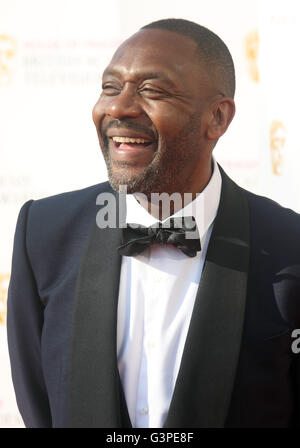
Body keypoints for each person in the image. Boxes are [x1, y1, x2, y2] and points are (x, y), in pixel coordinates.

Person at [7, 18, 300, 428]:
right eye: (110, 87)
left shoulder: (290, 246)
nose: (118, 107)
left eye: (151, 91)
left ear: (217, 118)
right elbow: (39, 405)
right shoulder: (43, 234)